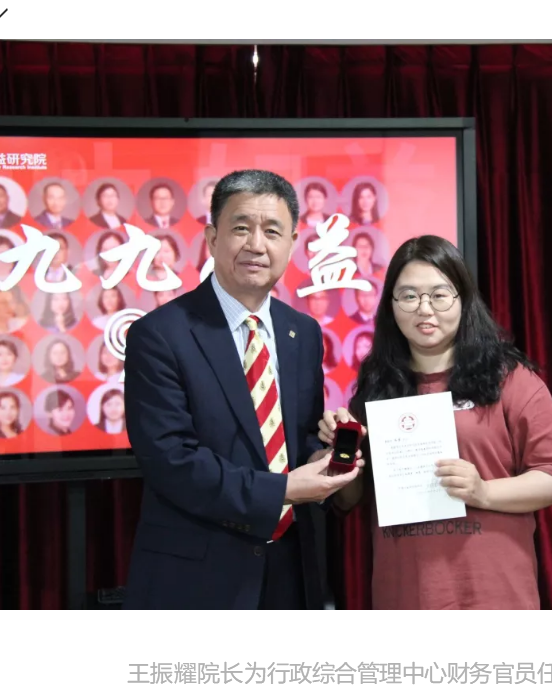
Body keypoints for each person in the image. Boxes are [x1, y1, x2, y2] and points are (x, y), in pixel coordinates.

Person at [122, 169, 362, 610]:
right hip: (199, 575)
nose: (256, 244)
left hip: (292, 569)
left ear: (292, 242)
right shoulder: (159, 335)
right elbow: (171, 461)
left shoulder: (303, 332)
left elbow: (297, 437)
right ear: (212, 238)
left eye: (272, 231)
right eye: (240, 228)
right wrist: (284, 490)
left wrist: (320, 459)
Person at [318, 235, 552, 610]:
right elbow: (350, 500)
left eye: (439, 295)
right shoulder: (378, 388)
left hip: (492, 595)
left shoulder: (508, 378)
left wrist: (483, 492)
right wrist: (343, 452)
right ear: (391, 305)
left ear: (463, 299)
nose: (424, 309)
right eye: (409, 296)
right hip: (404, 594)